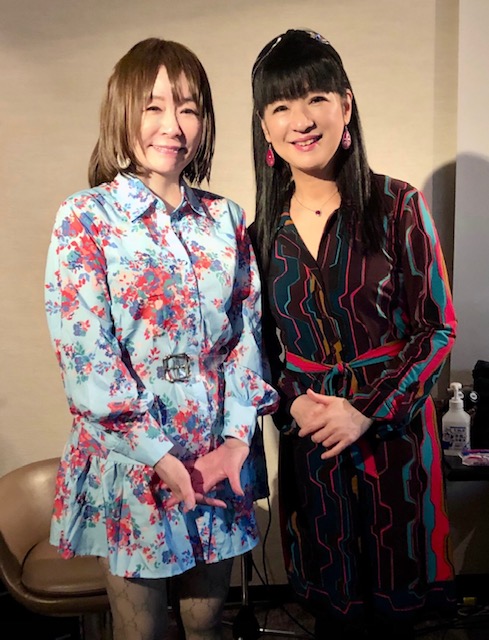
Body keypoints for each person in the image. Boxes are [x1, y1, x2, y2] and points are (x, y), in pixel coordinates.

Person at [44, 37, 278, 640]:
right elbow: (86, 356)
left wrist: (236, 439)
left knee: (205, 622)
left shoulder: (225, 218)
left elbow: (246, 336)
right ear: (122, 113)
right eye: (154, 106)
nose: (173, 125)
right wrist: (158, 455)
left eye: (189, 107)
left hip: (217, 459)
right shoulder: (85, 219)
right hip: (135, 462)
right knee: (139, 631)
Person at [249, 29, 457, 640]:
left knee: (401, 612)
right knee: (331, 612)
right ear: (265, 128)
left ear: (345, 105)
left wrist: (365, 411)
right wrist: (292, 405)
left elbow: (436, 328)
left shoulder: (399, 206)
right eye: (281, 106)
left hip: (394, 446)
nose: (301, 120)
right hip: (313, 449)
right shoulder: (261, 234)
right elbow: (257, 350)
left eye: (316, 97)